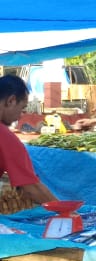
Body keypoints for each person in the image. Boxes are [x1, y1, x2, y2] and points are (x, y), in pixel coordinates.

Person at [0, 75, 58, 206]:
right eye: (22, 109)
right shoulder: (5, 136)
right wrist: (65, 211)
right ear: (11, 101)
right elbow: (31, 187)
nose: (20, 116)